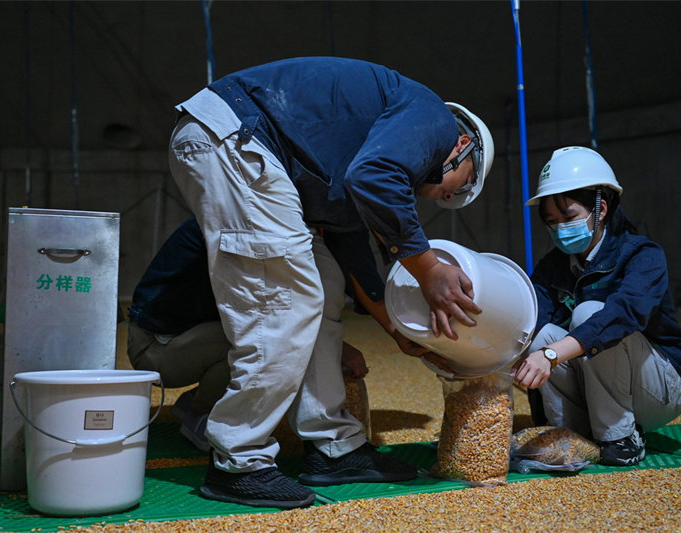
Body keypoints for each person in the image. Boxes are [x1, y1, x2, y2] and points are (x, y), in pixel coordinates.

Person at [166, 56, 494, 508]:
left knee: (321, 278)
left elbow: (352, 249)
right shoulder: (432, 116)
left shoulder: (353, 159)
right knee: (283, 300)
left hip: (247, 146)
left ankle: (335, 447)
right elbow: (377, 177)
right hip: (234, 138)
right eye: (460, 185)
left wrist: (397, 330)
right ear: (463, 145)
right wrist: (429, 269)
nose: (445, 196)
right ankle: (238, 459)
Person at [512, 146, 681, 466]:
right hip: (596, 386)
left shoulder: (641, 255)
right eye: (551, 221)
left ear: (602, 208)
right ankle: (566, 434)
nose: (560, 229)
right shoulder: (552, 266)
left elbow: (622, 314)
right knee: (539, 337)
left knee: (590, 314)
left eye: (569, 217)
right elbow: (531, 317)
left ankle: (620, 438)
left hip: (658, 388)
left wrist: (552, 355)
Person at [127, 216, 370, 453]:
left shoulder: (246, 219)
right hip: (156, 348)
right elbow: (262, 312)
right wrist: (337, 346)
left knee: (270, 334)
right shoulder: (238, 227)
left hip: (185, 336)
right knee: (264, 339)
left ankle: (195, 402)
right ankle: (203, 416)